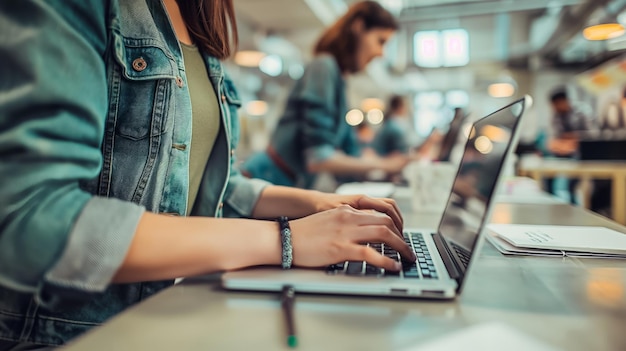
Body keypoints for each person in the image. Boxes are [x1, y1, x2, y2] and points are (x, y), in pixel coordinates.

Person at [0, 1, 417, 349]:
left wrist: (320, 206)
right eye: (380, 41)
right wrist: (286, 239)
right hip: (67, 333)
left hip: (158, 311)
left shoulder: (202, 29)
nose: (381, 52)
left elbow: (218, 184)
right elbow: (32, 220)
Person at [241, 1, 409, 189]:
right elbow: (319, 158)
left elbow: (351, 152)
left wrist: (393, 162)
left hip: (283, 185)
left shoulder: (339, 79)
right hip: (263, 181)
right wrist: (385, 164)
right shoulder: (324, 66)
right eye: (381, 41)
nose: (381, 53)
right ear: (359, 27)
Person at [544, 89, 590, 204]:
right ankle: (551, 203)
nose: (554, 108)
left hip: (581, 154)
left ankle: (573, 205)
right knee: (547, 176)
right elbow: (554, 139)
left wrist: (568, 139)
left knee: (572, 185)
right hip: (561, 152)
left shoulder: (582, 112)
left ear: (563, 101)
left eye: (556, 104)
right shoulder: (556, 116)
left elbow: (589, 136)